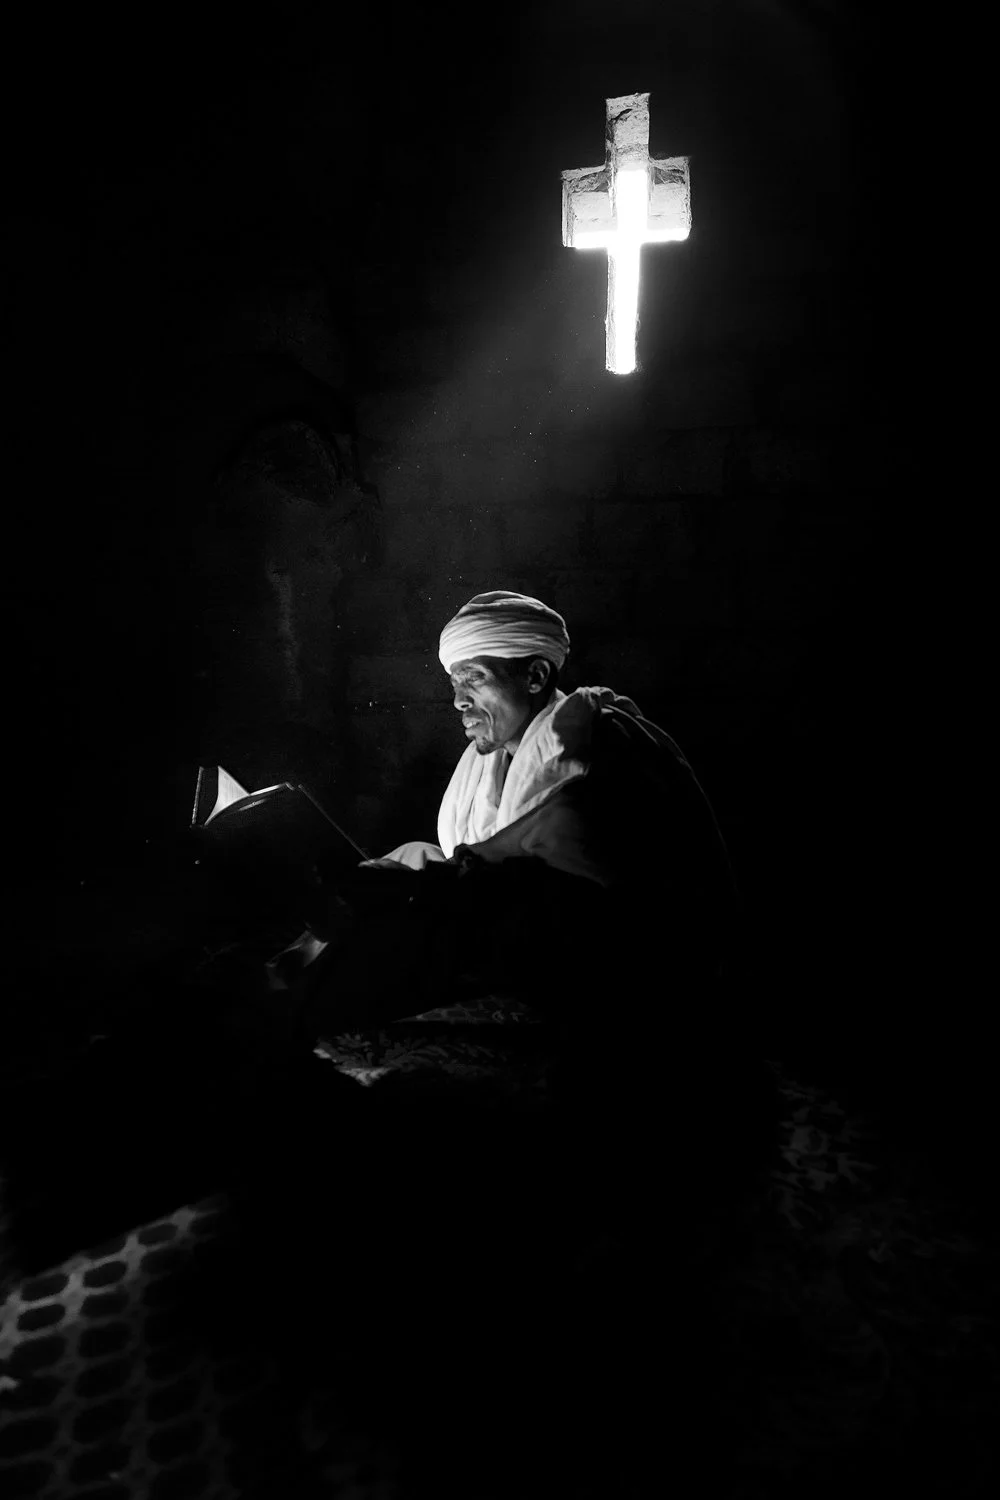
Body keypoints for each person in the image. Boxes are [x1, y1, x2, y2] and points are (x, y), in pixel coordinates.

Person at [272, 590, 742, 1034]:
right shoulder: (492, 760)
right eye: (454, 683)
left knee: (442, 910)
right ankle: (283, 972)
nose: (458, 700)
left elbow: (555, 845)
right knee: (414, 855)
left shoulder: (596, 737)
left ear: (535, 677)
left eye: (474, 678)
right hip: (530, 920)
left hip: (630, 958)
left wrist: (416, 887)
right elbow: (487, 854)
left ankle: (289, 1009)